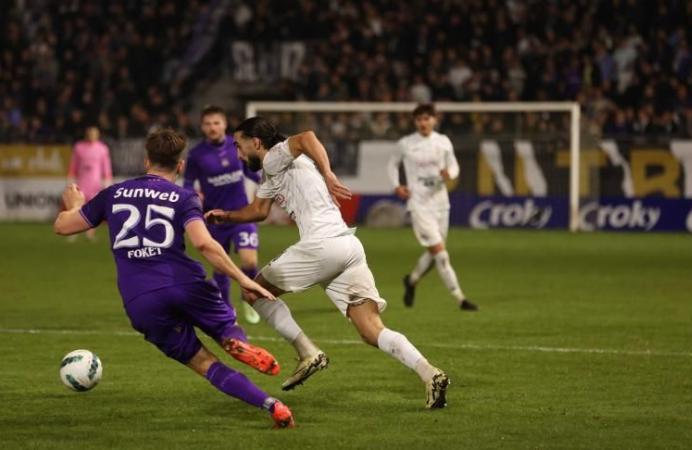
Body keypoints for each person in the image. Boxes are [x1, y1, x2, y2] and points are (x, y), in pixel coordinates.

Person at [53, 128, 295, 428]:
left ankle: (272, 405)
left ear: (146, 162)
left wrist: (75, 204)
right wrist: (242, 279)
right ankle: (233, 339)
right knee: (225, 327)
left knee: (207, 365)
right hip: (185, 283)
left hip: (141, 299)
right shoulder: (184, 197)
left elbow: (63, 227)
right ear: (180, 166)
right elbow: (204, 244)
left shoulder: (113, 194)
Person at [206, 117, 450, 409]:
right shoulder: (274, 171)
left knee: (252, 290)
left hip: (321, 245)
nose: (238, 153)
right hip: (348, 245)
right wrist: (228, 216)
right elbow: (258, 211)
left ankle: (307, 351)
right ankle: (430, 373)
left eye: (239, 145)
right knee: (372, 330)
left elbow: (307, 136)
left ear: (255, 142)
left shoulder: (275, 157)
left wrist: (330, 174)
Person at [388, 104, 478, 311]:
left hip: (441, 204)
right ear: (415, 122)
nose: (423, 122)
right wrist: (396, 185)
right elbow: (392, 164)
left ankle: (411, 280)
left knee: (434, 253)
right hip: (419, 205)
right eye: (419, 119)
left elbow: (454, 165)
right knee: (441, 255)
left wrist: (450, 174)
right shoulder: (406, 144)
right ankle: (460, 299)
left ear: (434, 120)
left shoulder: (443, 142)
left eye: (427, 118)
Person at [184, 106, 261, 325]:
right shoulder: (196, 154)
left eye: (216, 123)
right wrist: (192, 196)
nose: (212, 128)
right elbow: (189, 183)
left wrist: (270, 187)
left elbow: (248, 172)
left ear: (224, 124)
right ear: (202, 127)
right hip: (215, 218)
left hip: (241, 214)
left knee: (249, 259)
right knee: (220, 267)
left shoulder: (236, 146)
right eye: (208, 124)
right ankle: (228, 310)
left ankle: (249, 297)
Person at [67, 126, 113, 241]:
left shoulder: (102, 148)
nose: (92, 135)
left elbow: (106, 166)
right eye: (90, 133)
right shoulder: (79, 147)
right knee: (77, 207)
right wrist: (71, 177)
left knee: (93, 209)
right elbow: (74, 164)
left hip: (95, 182)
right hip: (82, 181)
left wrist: (107, 180)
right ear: (87, 134)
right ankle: (73, 232)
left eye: (95, 133)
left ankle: (90, 234)